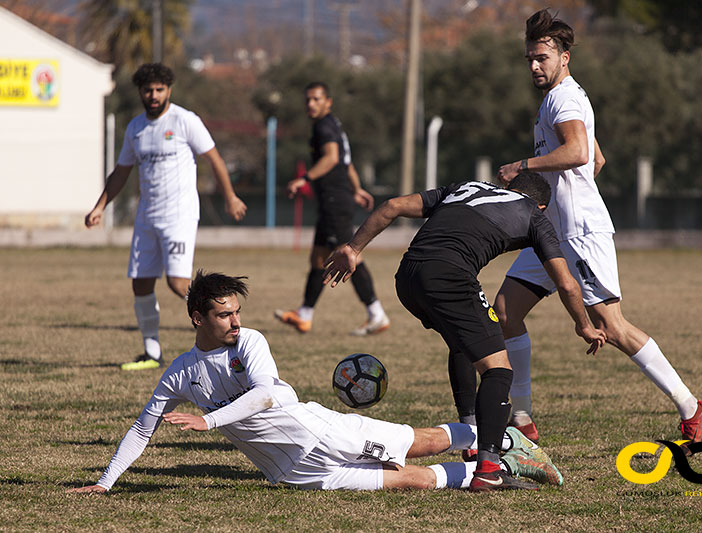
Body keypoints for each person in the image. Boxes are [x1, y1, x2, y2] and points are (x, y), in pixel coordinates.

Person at [65, 270, 563, 494]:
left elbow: (263, 395)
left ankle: (500, 439)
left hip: (322, 431)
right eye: (223, 315)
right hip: (295, 473)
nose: (235, 322)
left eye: (238, 312)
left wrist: (208, 421)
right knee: (409, 482)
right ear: (198, 317)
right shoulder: (180, 373)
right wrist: (105, 482)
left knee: (417, 444)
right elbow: (142, 429)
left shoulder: (250, 342)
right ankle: (514, 470)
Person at [493, 9, 702, 449]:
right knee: (505, 309)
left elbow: (577, 152)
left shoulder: (564, 99)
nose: (535, 66)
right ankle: (521, 418)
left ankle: (691, 406)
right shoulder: (560, 98)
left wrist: (524, 166)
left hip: (578, 233)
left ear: (564, 57)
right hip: (551, 231)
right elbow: (597, 159)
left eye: (542, 58)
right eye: (530, 59)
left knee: (611, 327)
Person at [323, 172, 606, 491]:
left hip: (408, 277)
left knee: (463, 343)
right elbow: (566, 282)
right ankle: (488, 469)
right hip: (449, 278)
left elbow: (392, 206)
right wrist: (584, 325)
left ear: (509, 189)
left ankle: (471, 434)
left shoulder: (466, 186)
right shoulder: (534, 216)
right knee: (499, 370)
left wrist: (353, 248)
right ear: (541, 206)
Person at [85, 63, 247, 371]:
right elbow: (121, 172)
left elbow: (214, 159)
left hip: (179, 215)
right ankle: (151, 352)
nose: (154, 95)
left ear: (169, 90)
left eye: (160, 89)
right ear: (141, 92)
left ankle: (228, 328)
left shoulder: (185, 121)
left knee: (177, 282)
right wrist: (100, 206)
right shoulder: (135, 128)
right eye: (148, 90)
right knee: (141, 284)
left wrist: (230, 196)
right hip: (147, 216)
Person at [274, 82, 389, 336]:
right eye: (308, 100)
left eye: (316, 99)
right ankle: (304, 315)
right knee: (318, 258)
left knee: (349, 255)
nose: (311, 104)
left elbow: (333, 158)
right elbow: (346, 163)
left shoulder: (324, 126)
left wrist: (304, 178)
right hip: (335, 199)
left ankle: (376, 313)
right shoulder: (333, 124)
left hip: (335, 201)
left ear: (328, 101)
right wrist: (357, 188)